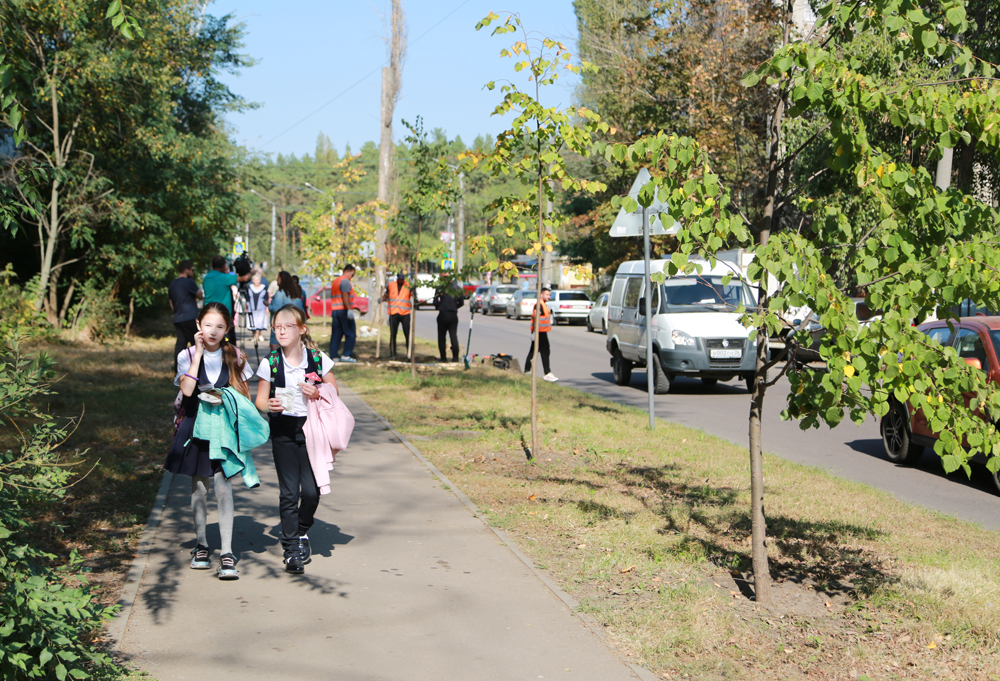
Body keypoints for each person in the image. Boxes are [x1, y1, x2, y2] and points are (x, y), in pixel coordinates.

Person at [165, 302, 256, 580]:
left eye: (219, 326)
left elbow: (245, 394)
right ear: (198, 326)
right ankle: (202, 545)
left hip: (224, 430)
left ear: (227, 329)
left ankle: (227, 552)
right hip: (195, 428)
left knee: (223, 487)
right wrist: (198, 356)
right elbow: (188, 389)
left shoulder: (236, 356)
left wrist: (231, 401)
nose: (213, 331)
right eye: (208, 325)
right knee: (199, 489)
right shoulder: (187, 355)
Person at [254, 304, 339, 575]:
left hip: (312, 429)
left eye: (288, 326)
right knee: (289, 492)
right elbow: (259, 400)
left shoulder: (316, 357)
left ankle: (301, 530)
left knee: (312, 492)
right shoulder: (270, 362)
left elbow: (333, 390)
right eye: (277, 326)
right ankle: (291, 551)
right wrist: (270, 406)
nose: (281, 331)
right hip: (283, 432)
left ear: (301, 329)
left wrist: (317, 393)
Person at [202, 255, 252, 344]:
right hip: (224, 314)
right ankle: (227, 351)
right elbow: (245, 278)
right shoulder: (224, 278)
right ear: (224, 266)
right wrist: (252, 272)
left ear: (212, 266)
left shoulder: (206, 278)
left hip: (209, 312)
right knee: (226, 338)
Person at [168, 259, 202, 372]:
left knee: (180, 344)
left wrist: (177, 313)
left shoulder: (172, 284)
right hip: (190, 317)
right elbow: (200, 295)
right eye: (192, 270)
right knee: (196, 343)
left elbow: (171, 302)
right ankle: (198, 368)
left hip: (178, 318)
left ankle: (177, 369)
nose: (193, 272)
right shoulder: (189, 282)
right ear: (186, 270)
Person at [525, 287, 558, 382]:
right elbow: (536, 317)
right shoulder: (539, 305)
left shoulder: (543, 304)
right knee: (544, 352)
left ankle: (527, 371)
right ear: (541, 295)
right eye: (547, 294)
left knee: (534, 351)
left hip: (542, 332)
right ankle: (547, 373)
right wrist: (535, 333)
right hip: (539, 332)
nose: (549, 296)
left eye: (549, 295)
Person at [329, 264, 359, 363]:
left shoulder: (336, 281)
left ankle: (333, 356)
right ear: (348, 271)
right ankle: (346, 354)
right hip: (343, 310)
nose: (352, 277)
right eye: (352, 274)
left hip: (335, 310)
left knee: (336, 334)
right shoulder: (345, 281)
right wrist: (349, 309)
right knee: (351, 333)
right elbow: (345, 295)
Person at [268, 271, 304, 351]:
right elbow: (301, 310)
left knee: (275, 343)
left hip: (280, 324)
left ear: (282, 280)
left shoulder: (280, 293)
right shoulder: (295, 293)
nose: (277, 281)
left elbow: (276, 308)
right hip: (293, 323)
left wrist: (268, 305)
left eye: (278, 278)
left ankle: (276, 362)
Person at [433, 277, 464, 363]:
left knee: (441, 337)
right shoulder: (458, 288)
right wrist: (453, 307)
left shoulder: (440, 288)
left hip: (443, 314)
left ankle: (443, 358)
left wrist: (440, 306)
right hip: (453, 314)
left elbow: (435, 302)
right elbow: (461, 302)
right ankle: (455, 358)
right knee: (453, 336)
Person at [382, 273, 411, 360]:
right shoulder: (391, 285)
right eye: (400, 279)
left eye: (402, 279)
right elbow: (386, 294)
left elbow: (413, 295)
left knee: (407, 334)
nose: (401, 280)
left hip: (405, 313)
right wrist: (382, 298)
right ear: (397, 278)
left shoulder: (409, 285)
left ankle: (409, 354)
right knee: (393, 334)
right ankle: (393, 354)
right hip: (393, 313)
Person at [247, 271, 269, 345]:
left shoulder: (263, 287)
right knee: (252, 321)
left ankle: (260, 334)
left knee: (260, 321)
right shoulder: (249, 287)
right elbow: (247, 297)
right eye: (255, 280)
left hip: (261, 308)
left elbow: (266, 298)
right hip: (252, 307)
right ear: (253, 280)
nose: (257, 281)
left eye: (258, 280)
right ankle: (254, 335)